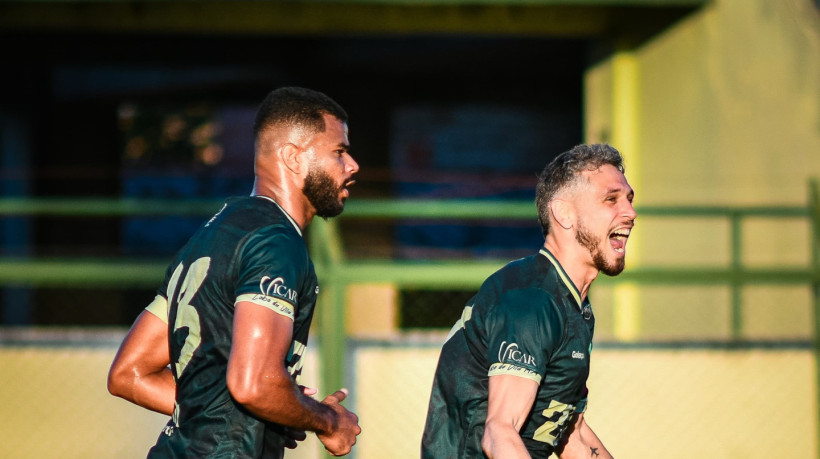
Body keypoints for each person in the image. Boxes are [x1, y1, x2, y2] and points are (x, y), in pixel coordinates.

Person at [108, 86, 362, 458]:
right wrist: (329, 420)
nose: (352, 165)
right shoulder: (276, 241)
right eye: (339, 152)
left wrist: (275, 411)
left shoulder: (212, 233)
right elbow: (253, 383)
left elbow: (130, 374)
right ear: (293, 158)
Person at [421, 143, 636, 459]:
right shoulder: (532, 300)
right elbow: (498, 434)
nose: (630, 212)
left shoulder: (574, 307)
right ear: (564, 214)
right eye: (611, 199)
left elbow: (570, 432)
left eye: (629, 199)